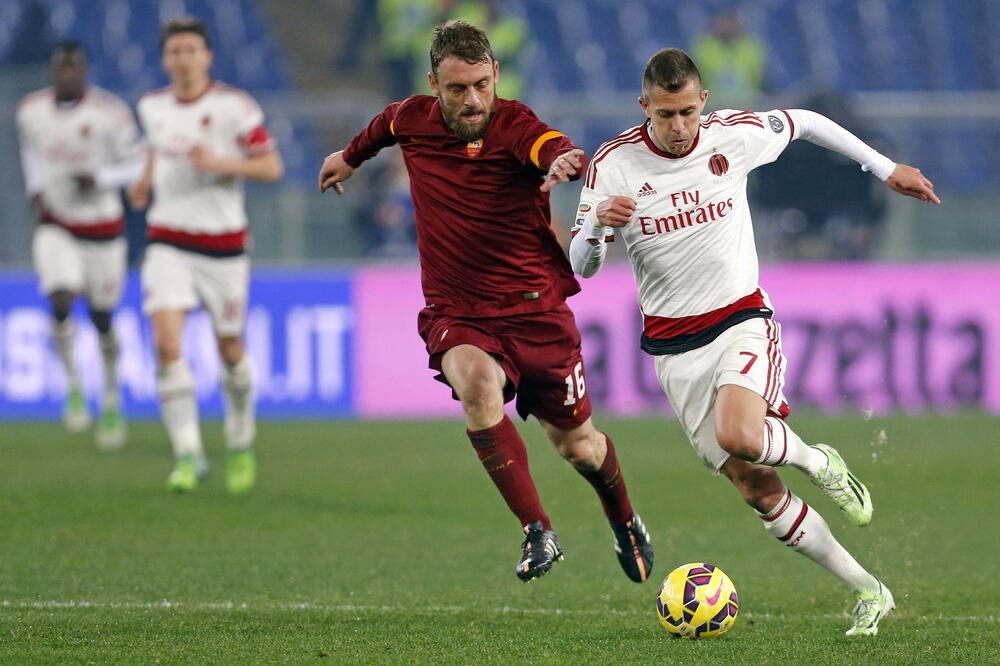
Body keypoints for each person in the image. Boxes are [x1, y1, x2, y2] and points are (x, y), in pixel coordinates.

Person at [569, 48, 939, 635]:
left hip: (741, 317)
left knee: (740, 433)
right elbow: (583, 268)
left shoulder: (733, 136)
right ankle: (871, 590)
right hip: (673, 348)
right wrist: (594, 227)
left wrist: (883, 167)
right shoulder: (613, 164)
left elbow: (809, 122)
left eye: (688, 111)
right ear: (644, 107)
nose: (678, 127)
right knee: (755, 485)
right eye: (665, 114)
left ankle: (820, 461)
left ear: (703, 102)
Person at [319, 20, 653, 583]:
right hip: (460, 312)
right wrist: (349, 157)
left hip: (536, 313)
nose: (472, 99)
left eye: (481, 84)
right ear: (434, 85)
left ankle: (624, 518)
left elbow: (549, 146)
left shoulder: (514, 124)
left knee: (579, 448)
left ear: (495, 74)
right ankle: (537, 529)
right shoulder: (412, 118)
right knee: (477, 386)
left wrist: (562, 162)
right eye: (457, 89)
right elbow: (383, 127)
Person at [127, 17, 284, 495]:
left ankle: (240, 439)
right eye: (174, 51)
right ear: (164, 60)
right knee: (166, 343)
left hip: (224, 247)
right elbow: (157, 147)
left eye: (191, 50)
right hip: (167, 239)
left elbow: (272, 166)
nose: (183, 59)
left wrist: (221, 164)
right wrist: (144, 180)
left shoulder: (234, 107)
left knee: (229, 350)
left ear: (207, 56)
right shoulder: (151, 106)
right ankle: (188, 455)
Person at [16, 41, 145, 449]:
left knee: (102, 317)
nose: (68, 73)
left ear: (85, 71)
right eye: (62, 67)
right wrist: (37, 187)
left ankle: (109, 393)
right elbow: (31, 151)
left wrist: (101, 179)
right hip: (56, 225)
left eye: (76, 67)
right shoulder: (31, 112)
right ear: (54, 70)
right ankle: (73, 386)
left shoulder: (110, 114)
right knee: (58, 300)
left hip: (102, 230)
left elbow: (139, 162)